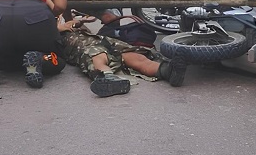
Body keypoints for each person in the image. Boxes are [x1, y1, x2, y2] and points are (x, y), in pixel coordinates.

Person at [57, 18, 188, 97]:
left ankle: (168, 71)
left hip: (105, 41)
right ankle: (107, 77)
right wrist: (59, 28)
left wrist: (78, 22)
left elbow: (76, 24)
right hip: (83, 48)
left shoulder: (68, 26)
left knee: (135, 57)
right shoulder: (54, 35)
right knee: (97, 56)